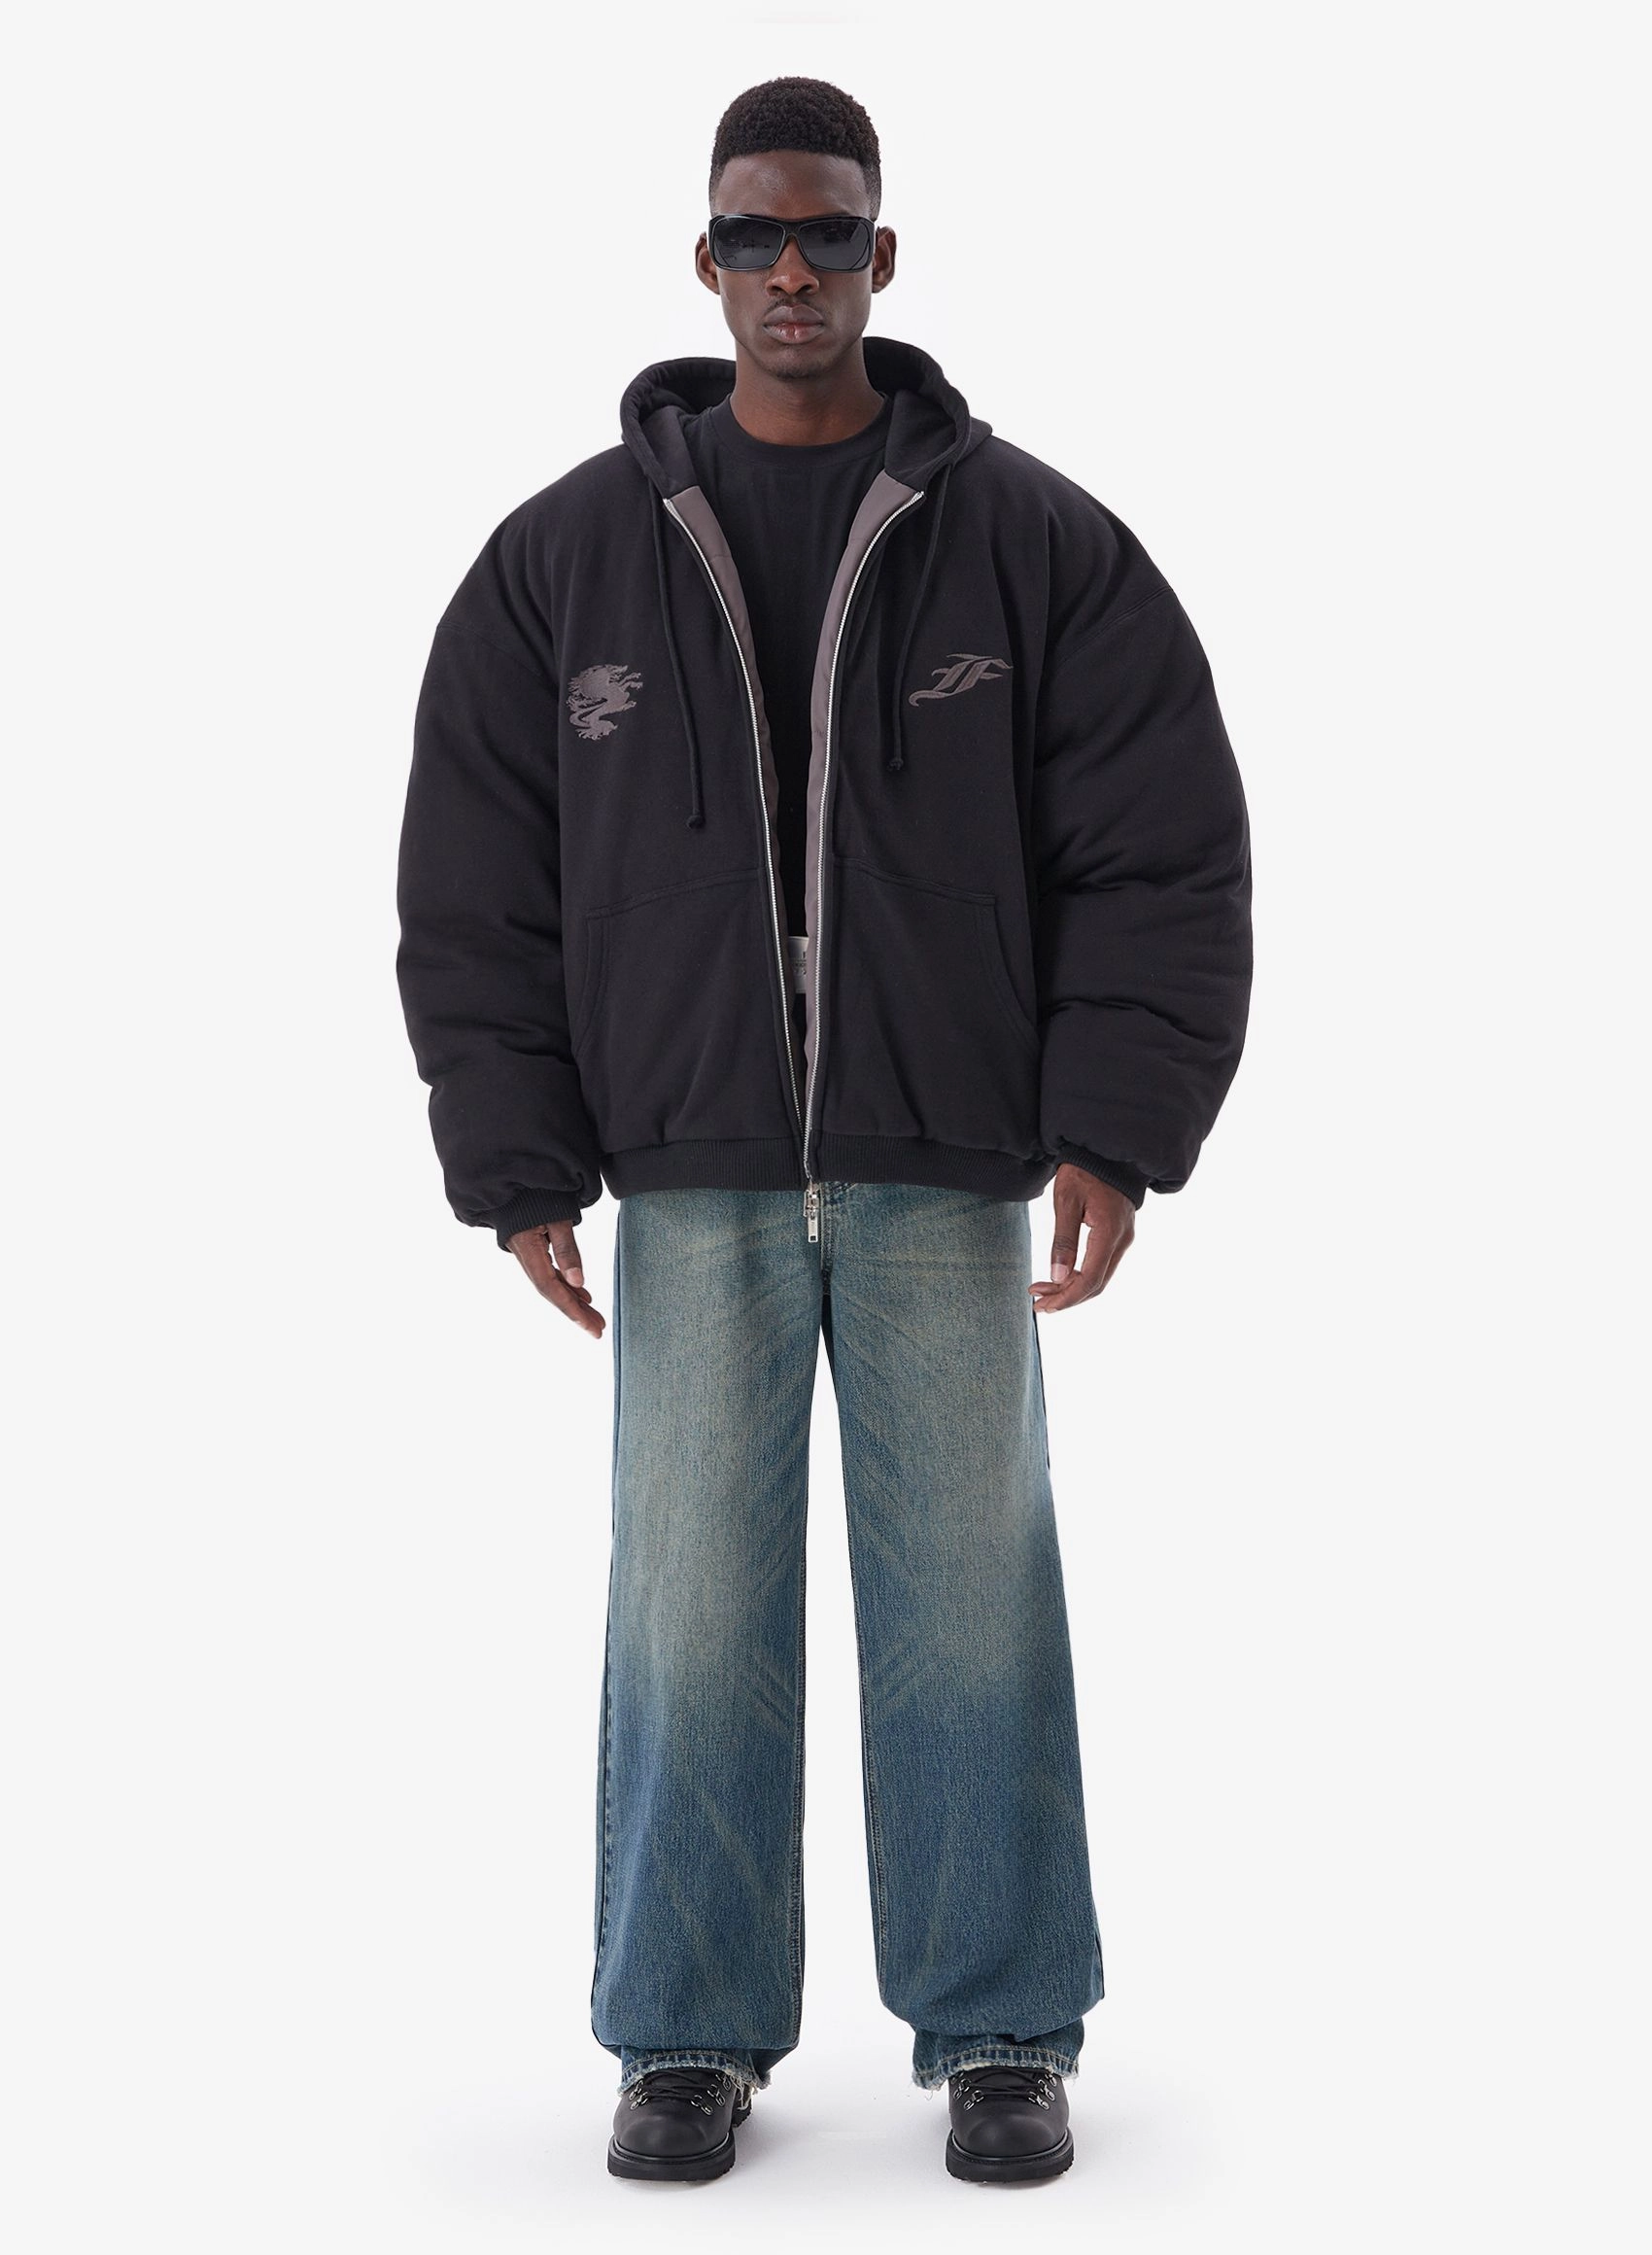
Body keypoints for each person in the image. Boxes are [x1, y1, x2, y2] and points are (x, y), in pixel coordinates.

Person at [395, 75, 1253, 2187]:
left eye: (833, 234)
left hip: (945, 1156)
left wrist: (1114, 1127)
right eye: (759, 236)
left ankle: (1001, 2030)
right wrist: (518, 1160)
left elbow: (1156, 845)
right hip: (687, 1166)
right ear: (703, 261)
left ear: (885, 253)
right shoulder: (562, 558)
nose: (797, 270)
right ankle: (686, 2032)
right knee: (688, 1610)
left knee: (971, 1602)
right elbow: (476, 881)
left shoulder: (1033, 540)